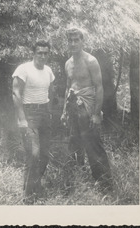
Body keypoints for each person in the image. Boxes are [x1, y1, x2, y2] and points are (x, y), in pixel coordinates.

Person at [61, 27, 112, 191]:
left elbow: (99, 87)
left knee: (93, 144)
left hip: (88, 108)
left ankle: (104, 183)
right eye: (70, 40)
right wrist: (64, 111)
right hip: (73, 107)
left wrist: (96, 114)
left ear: (83, 41)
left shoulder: (91, 61)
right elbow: (68, 87)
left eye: (77, 40)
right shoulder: (68, 63)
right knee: (73, 142)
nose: (73, 43)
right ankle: (75, 181)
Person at [12, 40, 55, 204]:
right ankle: (28, 197)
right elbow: (16, 93)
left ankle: (35, 186)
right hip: (29, 114)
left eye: (46, 53)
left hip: (44, 113)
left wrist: (49, 112)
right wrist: (22, 119)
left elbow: (50, 92)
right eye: (39, 53)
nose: (43, 56)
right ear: (34, 53)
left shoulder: (49, 71)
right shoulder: (24, 69)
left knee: (44, 155)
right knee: (33, 154)